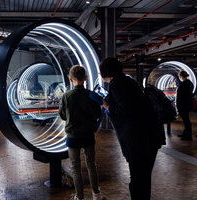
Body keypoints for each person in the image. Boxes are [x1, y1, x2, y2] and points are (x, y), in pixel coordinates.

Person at [99, 57, 164, 200]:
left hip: (138, 140)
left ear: (104, 71)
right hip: (150, 136)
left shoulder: (116, 84)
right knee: (143, 179)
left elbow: (126, 110)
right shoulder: (128, 81)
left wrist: (107, 105)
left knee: (138, 181)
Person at [59, 65, 106, 200]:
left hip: (73, 136)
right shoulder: (92, 95)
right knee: (91, 164)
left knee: (75, 167)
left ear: (71, 79)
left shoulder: (66, 96)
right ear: (85, 78)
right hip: (88, 135)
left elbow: (62, 116)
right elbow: (98, 113)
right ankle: (96, 194)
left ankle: (79, 197)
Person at [176, 70, 194, 141]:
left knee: (186, 120)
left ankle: (188, 136)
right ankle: (185, 133)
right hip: (187, 104)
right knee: (186, 120)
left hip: (183, 105)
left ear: (180, 76)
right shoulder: (189, 83)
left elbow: (182, 96)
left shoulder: (184, 84)